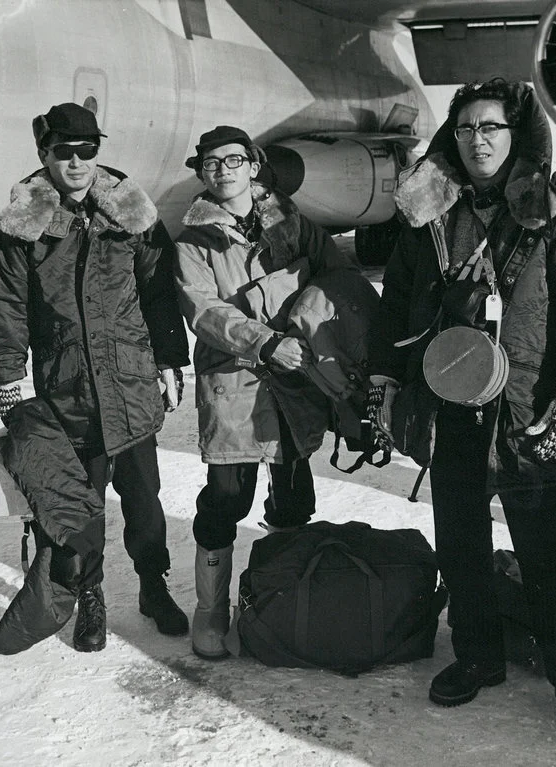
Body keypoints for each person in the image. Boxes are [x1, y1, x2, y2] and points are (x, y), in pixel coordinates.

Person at [367, 80, 556, 741]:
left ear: (516, 136)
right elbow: (395, 303)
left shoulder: (555, 212)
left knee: (546, 550)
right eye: (467, 128)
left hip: (529, 405)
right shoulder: (426, 215)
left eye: (492, 128)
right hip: (450, 402)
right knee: (461, 541)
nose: (478, 139)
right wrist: (385, 382)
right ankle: (477, 653)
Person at [0, 103, 190, 653]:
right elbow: (8, 305)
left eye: (88, 150)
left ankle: (153, 586)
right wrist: (9, 377)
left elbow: (158, 293)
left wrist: (172, 361)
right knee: (80, 507)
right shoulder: (21, 226)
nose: (77, 162)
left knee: (145, 502)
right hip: (68, 387)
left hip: (130, 381)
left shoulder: (130, 214)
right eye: (64, 152)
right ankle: (91, 595)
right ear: (44, 154)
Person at [173, 125, 357, 660]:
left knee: (295, 496)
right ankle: (210, 610)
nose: (221, 170)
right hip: (236, 380)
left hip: (296, 380)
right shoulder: (194, 241)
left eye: (233, 160)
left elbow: (336, 277)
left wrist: (316, 323)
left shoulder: (293, 224)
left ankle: (280, 590)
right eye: (209, 163)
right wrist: (264, 335)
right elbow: (204, 310)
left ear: (254, 166)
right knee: (226, 498)